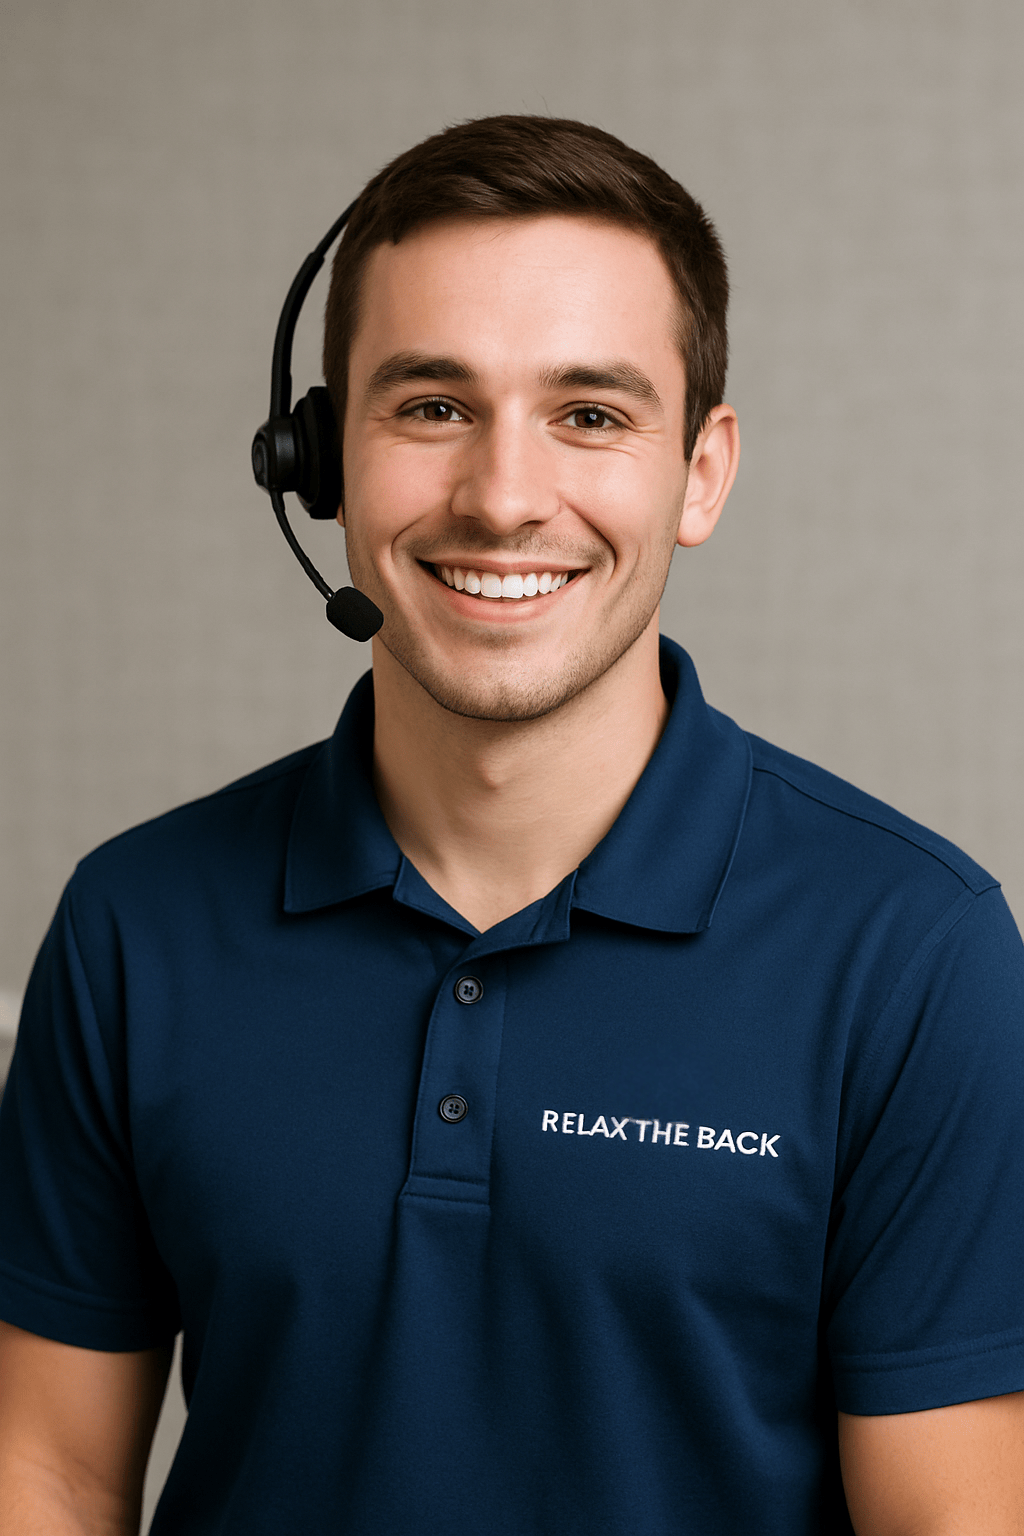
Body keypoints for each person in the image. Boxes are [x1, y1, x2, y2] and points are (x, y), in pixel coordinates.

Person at [0, 115, 1021, 1536]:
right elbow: (47, 1472)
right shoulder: (135, 923)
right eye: (431, 406)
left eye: (590, 414)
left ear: (702, 471)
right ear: (317, 459)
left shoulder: (916, 952)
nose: (503, 497)